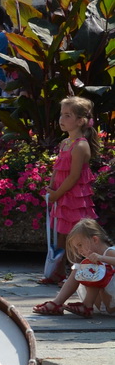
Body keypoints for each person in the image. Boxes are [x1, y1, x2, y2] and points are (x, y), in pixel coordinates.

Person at [46, 96, 100, 263]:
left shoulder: (80, 145)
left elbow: (74, 176)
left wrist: (57, 194)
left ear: (80, 121)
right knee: (61, 233)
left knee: (75, 236)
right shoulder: (65, 143)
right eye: (61, 114)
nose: (61, 119)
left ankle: (76, 271)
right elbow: (58, 169)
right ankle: (58, 270)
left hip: (74, 197)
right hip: (62, 195)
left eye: (68, 115)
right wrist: (51, 189)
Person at [34, 220, 115, 318]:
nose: (79, 251)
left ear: (95, 239)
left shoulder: (110, 252)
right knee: (79, 268)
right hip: (102, 303)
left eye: (80, 245)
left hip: (112, 302)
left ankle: (86, 305)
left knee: (92, 268)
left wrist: (102, 258)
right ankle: (57, 303)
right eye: (77, 248)